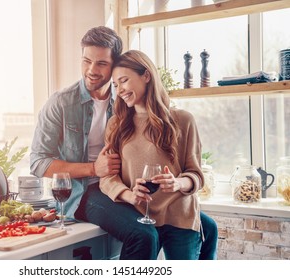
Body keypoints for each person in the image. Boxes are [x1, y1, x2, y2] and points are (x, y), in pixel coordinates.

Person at [30, 26, 217, 259]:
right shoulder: (61, 103)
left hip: (122, 185)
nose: (91, 70)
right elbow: (38, 163)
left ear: (114, 66)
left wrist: (177, 182)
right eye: (87, 61)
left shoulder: (124, 101)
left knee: (208, 227)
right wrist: (93, 169)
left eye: (101, 64)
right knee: (144, 234)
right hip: (86, 190)